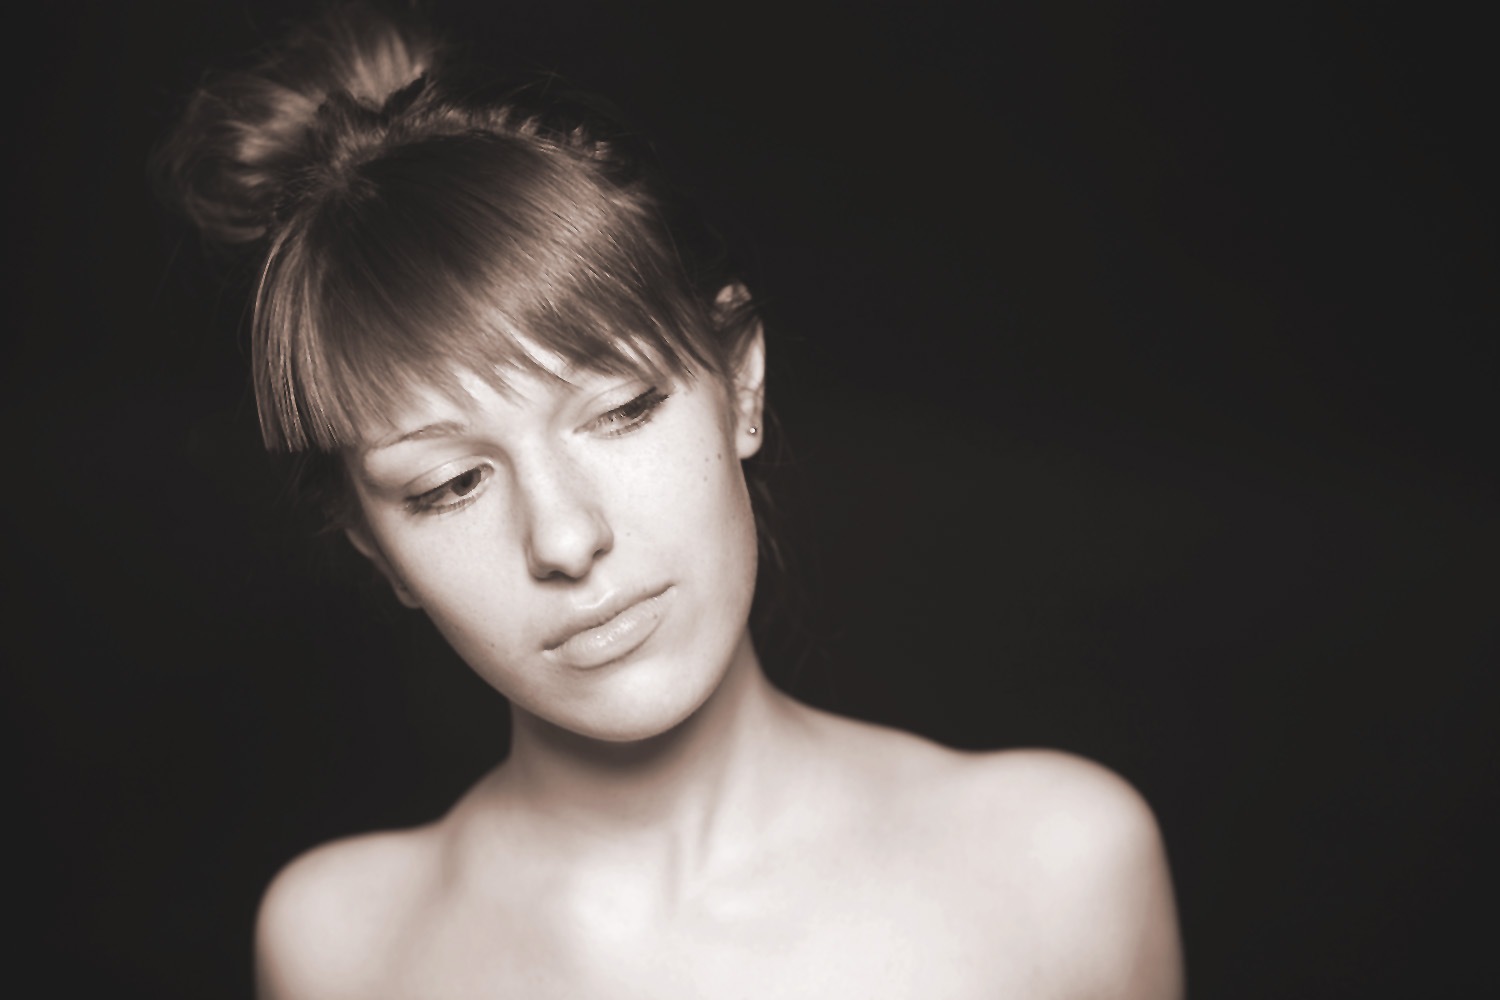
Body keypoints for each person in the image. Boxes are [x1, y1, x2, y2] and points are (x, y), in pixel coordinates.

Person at [158, 4, 1183, 997]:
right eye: (449, 484)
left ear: (742, 385)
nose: (566, 538)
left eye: (622, 410)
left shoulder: (1060, 870)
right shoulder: (337, 946)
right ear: (375, 548)